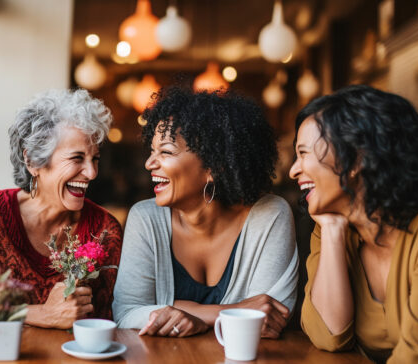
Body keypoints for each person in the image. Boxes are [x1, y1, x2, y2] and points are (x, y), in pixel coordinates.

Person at [113, 87, 299, 338]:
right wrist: (227, 313)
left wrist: (186, 312)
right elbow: (126, 313)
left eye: (166, 151)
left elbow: (270, 321)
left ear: (214, 166)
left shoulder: (269, 216)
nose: (149, 163)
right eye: (151, 150)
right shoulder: (145, 219)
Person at [289, 85, 418, 363]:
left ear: (356, 159)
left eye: (303, 154)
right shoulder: (328, 225)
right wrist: (333, 233)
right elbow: (329, 336)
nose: (293, 170)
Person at [0, 89, 122, 329]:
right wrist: (40, 314)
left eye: (95, 159)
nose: (91, 173)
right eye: (77, 158)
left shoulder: (105, 231)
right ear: (32, 161)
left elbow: (109, 321)